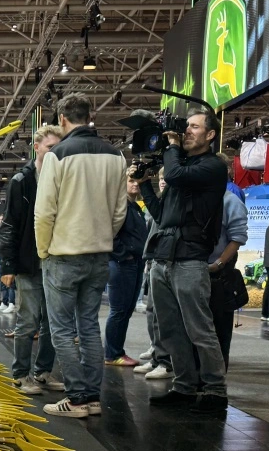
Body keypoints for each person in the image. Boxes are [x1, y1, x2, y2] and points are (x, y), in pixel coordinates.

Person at [34, 93, 127, 418]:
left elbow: (44, 212)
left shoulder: (57, 155)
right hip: (99, 254)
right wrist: (103, 238)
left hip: (63, 254)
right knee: (88, 326)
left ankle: (75, 400)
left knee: (61, 330)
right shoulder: (116, 156)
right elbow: (119, 212)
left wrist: (43, 249)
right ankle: (91, 398)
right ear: (91, 115)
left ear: (62, 120)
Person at [139, 108, 228, 413]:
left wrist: (173, 146)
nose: (187, 131)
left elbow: (175, 174)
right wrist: (144, 185)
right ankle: (184, 386)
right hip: (163, 256)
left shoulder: (212, 167)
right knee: (170, 329)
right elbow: (162, 215)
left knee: (199, 328)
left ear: (210, 134)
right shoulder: (184, 168)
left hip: (190, 258)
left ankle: (215, 389)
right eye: (186, 127)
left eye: (194, 127)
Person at [0, 124, 64, 395]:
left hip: (56, 261)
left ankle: (43, 372)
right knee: (28, 320)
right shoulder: (21, 181)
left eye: (58, 148)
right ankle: (20, 374)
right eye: (50, 147)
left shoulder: (63, 178)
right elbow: (11, 225)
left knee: (52, 322)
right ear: (36, 147)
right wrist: (8, 265)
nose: (54, 153)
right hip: (29, 262)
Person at [104, 167, 149, 366]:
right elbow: (109, 234)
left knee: (126, 310)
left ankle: (116, 351)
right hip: (122, 264)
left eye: (137, 181)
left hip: (135, 263)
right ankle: (113, 353)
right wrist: (125, 256)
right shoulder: (118, 205)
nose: (135, 184)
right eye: (131, 180)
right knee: (119, 310)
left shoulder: (135, 207)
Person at [134, 168, 173, 381]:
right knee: (154, 314)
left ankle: (165, 361)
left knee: (164, 316)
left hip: (167, 261)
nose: (162, 182)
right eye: (160, 178)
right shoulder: (158, 201)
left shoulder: (171, 202)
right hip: (155, 260)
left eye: (166, 179)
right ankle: (158, 356)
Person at [208, 178, 249, 367]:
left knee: (220, 329)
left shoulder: (230, 200)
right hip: (192, 272)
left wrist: (219, 263)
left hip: (218, 275)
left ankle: (216, 379)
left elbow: (238, 237)